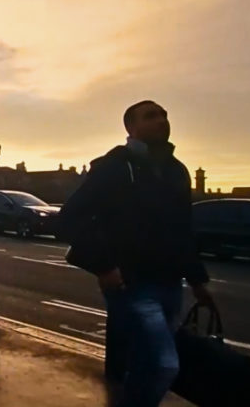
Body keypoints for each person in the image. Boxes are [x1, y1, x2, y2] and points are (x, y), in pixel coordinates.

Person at [59, 100, 214, 407]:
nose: (162, 121)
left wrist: (197, 281)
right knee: (163, 364)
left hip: (171, 284)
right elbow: (69, 219)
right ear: (131, 128)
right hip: (131, 285)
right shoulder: (115, 167)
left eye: (164, 115)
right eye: (151, 116)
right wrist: (103, 267)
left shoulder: (176, 170)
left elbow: (182, 229)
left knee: (145, 364)